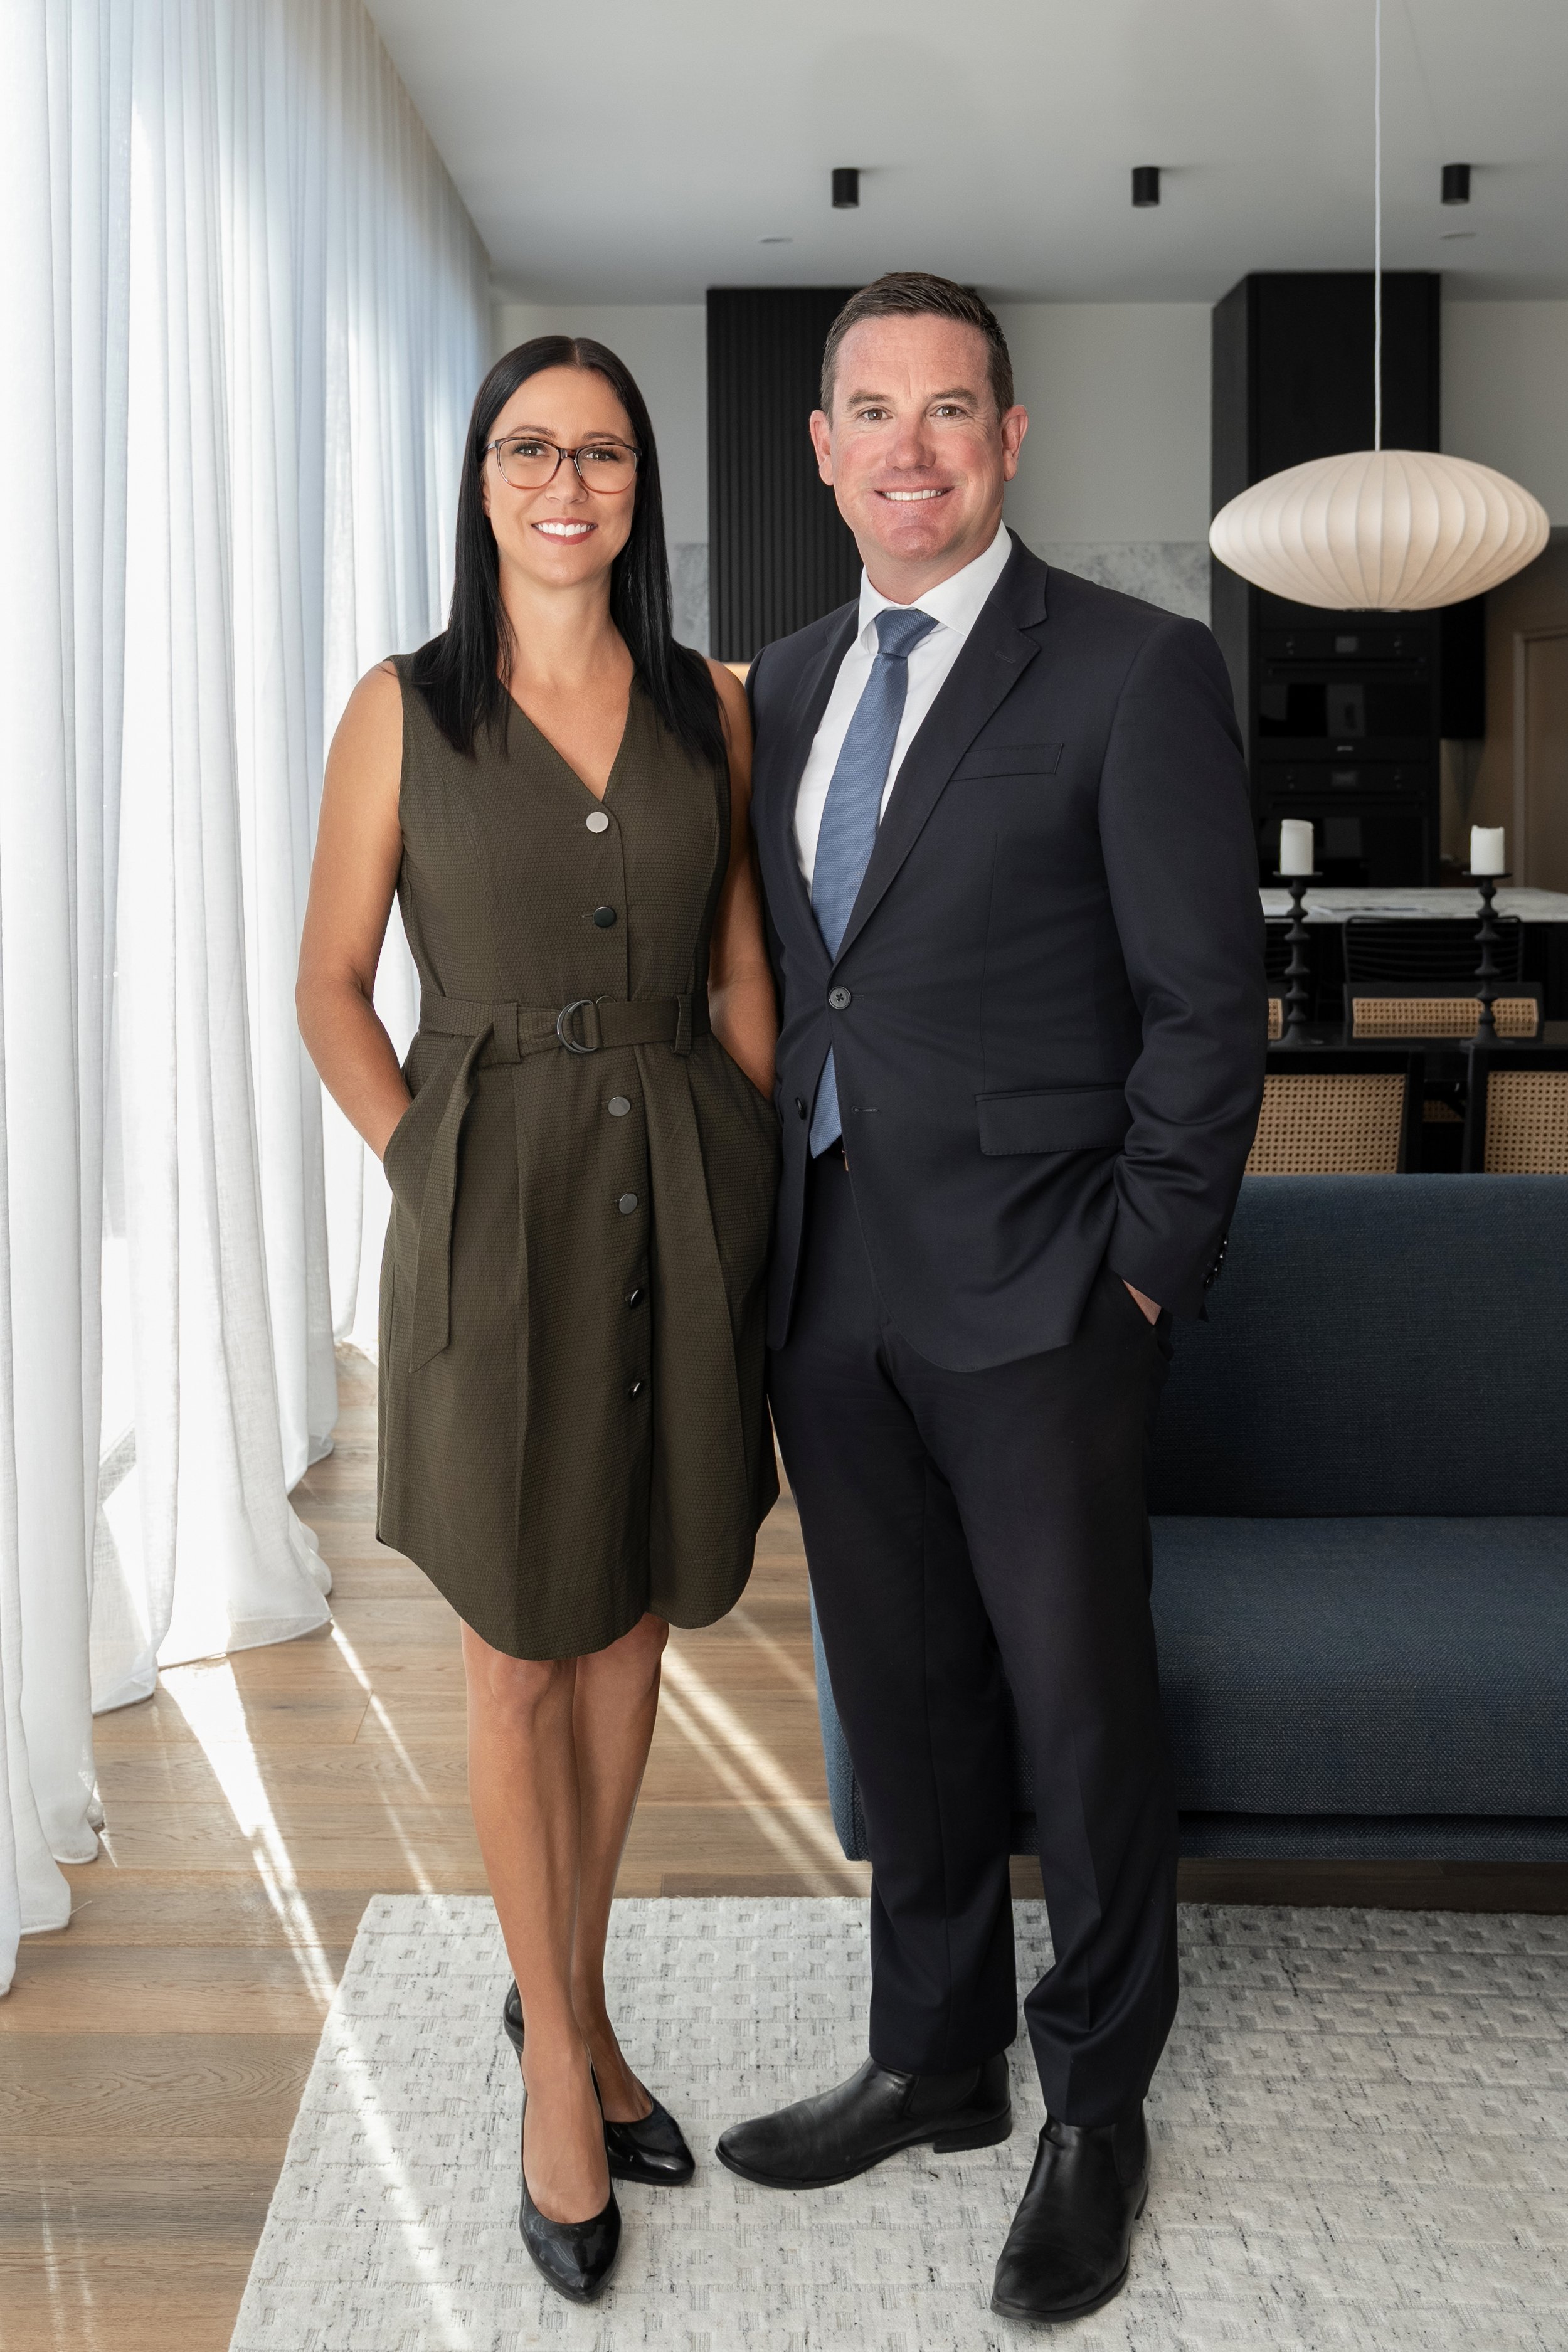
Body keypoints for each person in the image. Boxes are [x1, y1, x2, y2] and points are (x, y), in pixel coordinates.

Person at [716, 273, 1265, 2323]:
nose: (912, 448)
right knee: (906, 1698)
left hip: (1045, 1293)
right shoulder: (770, 686)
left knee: (1075, 1707)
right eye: (874, 411)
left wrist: (1135, 1279)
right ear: (825, 451)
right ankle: (931, 2060)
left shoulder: (1129, 671)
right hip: (827, 1276)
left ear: (1010, 440)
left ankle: (1092, 2105)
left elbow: (1210, 1015)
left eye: (952, 410)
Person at [296, 336, 780, 2307]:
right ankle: (562, 2071)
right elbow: (331, 983)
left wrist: (758, 1178)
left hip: (686, 1188)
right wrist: (438, 1170)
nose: (563, 481)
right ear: (478, 477)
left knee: (629, 1632)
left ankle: (554, 2008)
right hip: (489, 1203)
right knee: (514, 1653)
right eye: (526, 448)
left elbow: (743, 957)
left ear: (638, 485)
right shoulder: (400, 709)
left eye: (599, 451)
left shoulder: (712, 707)